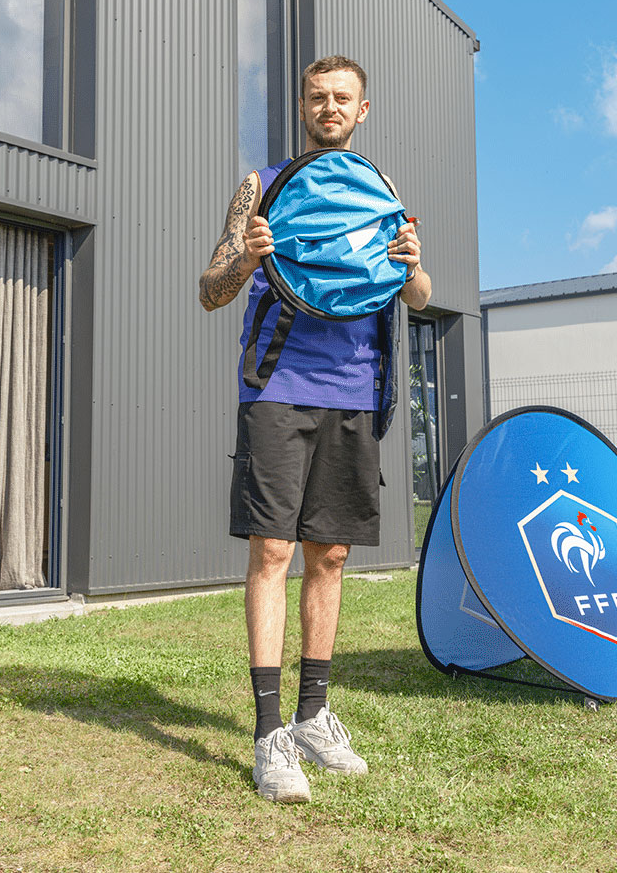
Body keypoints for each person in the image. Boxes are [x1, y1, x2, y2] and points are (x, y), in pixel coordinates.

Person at [198, 55, 431, 803]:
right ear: (302, 107)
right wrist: (245, 258)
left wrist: (414, 266)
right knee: (272, 549)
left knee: (329, 553)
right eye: (317, 96)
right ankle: (270, 733)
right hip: (278, 386)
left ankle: (313, 716)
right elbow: (210, 291)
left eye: (342, 98)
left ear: (363, 110)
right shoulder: (262, 186)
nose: (329, 107)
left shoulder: (380, 190)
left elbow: (418, 295)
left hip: (356, 390)